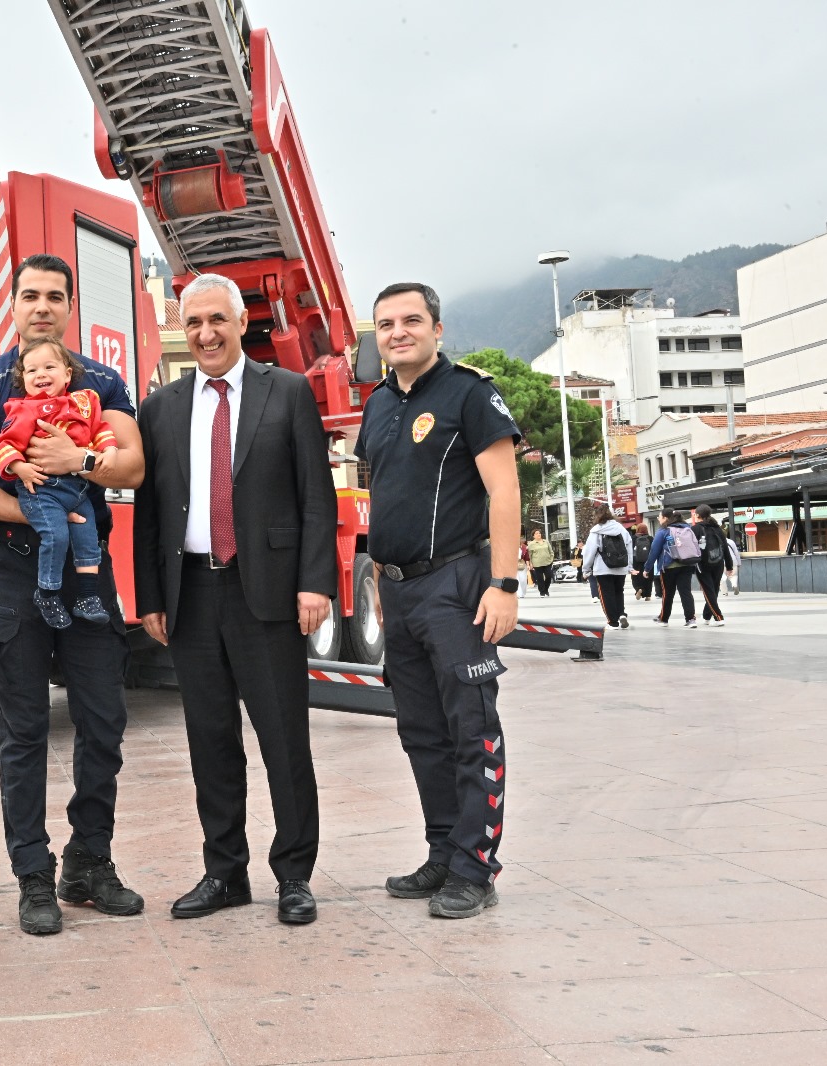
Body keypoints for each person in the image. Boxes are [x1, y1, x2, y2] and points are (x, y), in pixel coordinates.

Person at [0, 253, 146, 936]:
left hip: (86, 576)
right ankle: (33, 875)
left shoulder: (102, 384)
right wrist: (34, 514)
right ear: (15, 304)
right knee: (24, 733)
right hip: (12, 575)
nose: (42, 308)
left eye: (55, 296)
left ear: (70, 305)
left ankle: (89, 862)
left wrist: (79, 462)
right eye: (30, 295)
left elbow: (132, 465)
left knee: (104, 723)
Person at [133, 273, 337, 926]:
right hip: (191, 595)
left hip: (267, 593)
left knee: (283, 740)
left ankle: (294, 875)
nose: (205, 334)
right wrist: (150, 596)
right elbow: (149, 510)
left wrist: (315, 581)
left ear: (241, 323)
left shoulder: (289, 392)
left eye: (217, 319)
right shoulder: (160, 408)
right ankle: (225, 873)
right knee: (211, 742)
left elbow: (316, 496)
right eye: (193, 323)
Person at [356, 283, 520, 919]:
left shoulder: (469, 394)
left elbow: (503, 491)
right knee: (421, 732)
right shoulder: (377, 404)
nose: (398, 332)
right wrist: (378, 580)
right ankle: (444, 850)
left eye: (412, 320)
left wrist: (504, 585)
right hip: (397, 590)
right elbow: (386, 492)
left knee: (470, 730)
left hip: (455, 587)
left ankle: (475, 868)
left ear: (437, 329)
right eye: (386, 324)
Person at [0, 337, 120, 629]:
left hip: (78, 490)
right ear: (23, 380)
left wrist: (110, 450)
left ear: (67, 374)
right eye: (32, 370)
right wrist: (20, 468)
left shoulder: (84, 403)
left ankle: (87, 597)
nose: (41, 374)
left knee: (88, 539)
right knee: (57, 536)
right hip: (41, 491)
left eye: (49, 367)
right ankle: (47, 594)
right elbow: (5, 445)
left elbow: (100, 429)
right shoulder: (23, 410)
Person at [642, 507, 700, 627]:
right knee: (686, 592)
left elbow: (654, 551)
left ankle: (664, 619)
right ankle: (690, 619)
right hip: (687, 564)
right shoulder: (687, 528)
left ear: (665, 518)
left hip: (668, 567)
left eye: (659, 516)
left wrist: (647, 568)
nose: (658, 518)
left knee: (667, 593)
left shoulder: (663, 531)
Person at [582, 507, 633, 630]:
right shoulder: (621, 529)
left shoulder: (596, 531)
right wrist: (629, 566)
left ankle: (612, 622)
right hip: (621, 567)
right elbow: (629, 548)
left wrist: (586, 569)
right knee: (619, 591)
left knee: (606, 595)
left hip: (603, 568)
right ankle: (621, 614)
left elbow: (589, 551)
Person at [692, 504, 728, 626]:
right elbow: (725, 547)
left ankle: (718, 617)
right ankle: (707, 616)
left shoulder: (695, 529)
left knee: (709, 591)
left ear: (697, 515)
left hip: (702, 564)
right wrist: (729, 565)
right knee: (714, 590)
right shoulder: (717, 528)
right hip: (718, 563)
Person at [630, 521, 655, 601]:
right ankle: (648, 595)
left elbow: (629, 550)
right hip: (648, 560)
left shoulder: (633, 538)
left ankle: (638, 589)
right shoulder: (650, 538)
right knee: (648, 577)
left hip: (636, 561)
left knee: (636, 577)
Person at [527, 530, 554, 596]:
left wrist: (551, 559)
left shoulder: (546, 542)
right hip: (537, 563)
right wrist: (530, 563)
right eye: (536, 533)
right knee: (540, 578)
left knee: (549, 576)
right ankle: (542, 592)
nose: (538, 534)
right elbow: (530, 555)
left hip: (547, 562)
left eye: (539, 533)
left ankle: (546, 589)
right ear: (533, 536)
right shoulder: (531, 544)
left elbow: (551, 551)